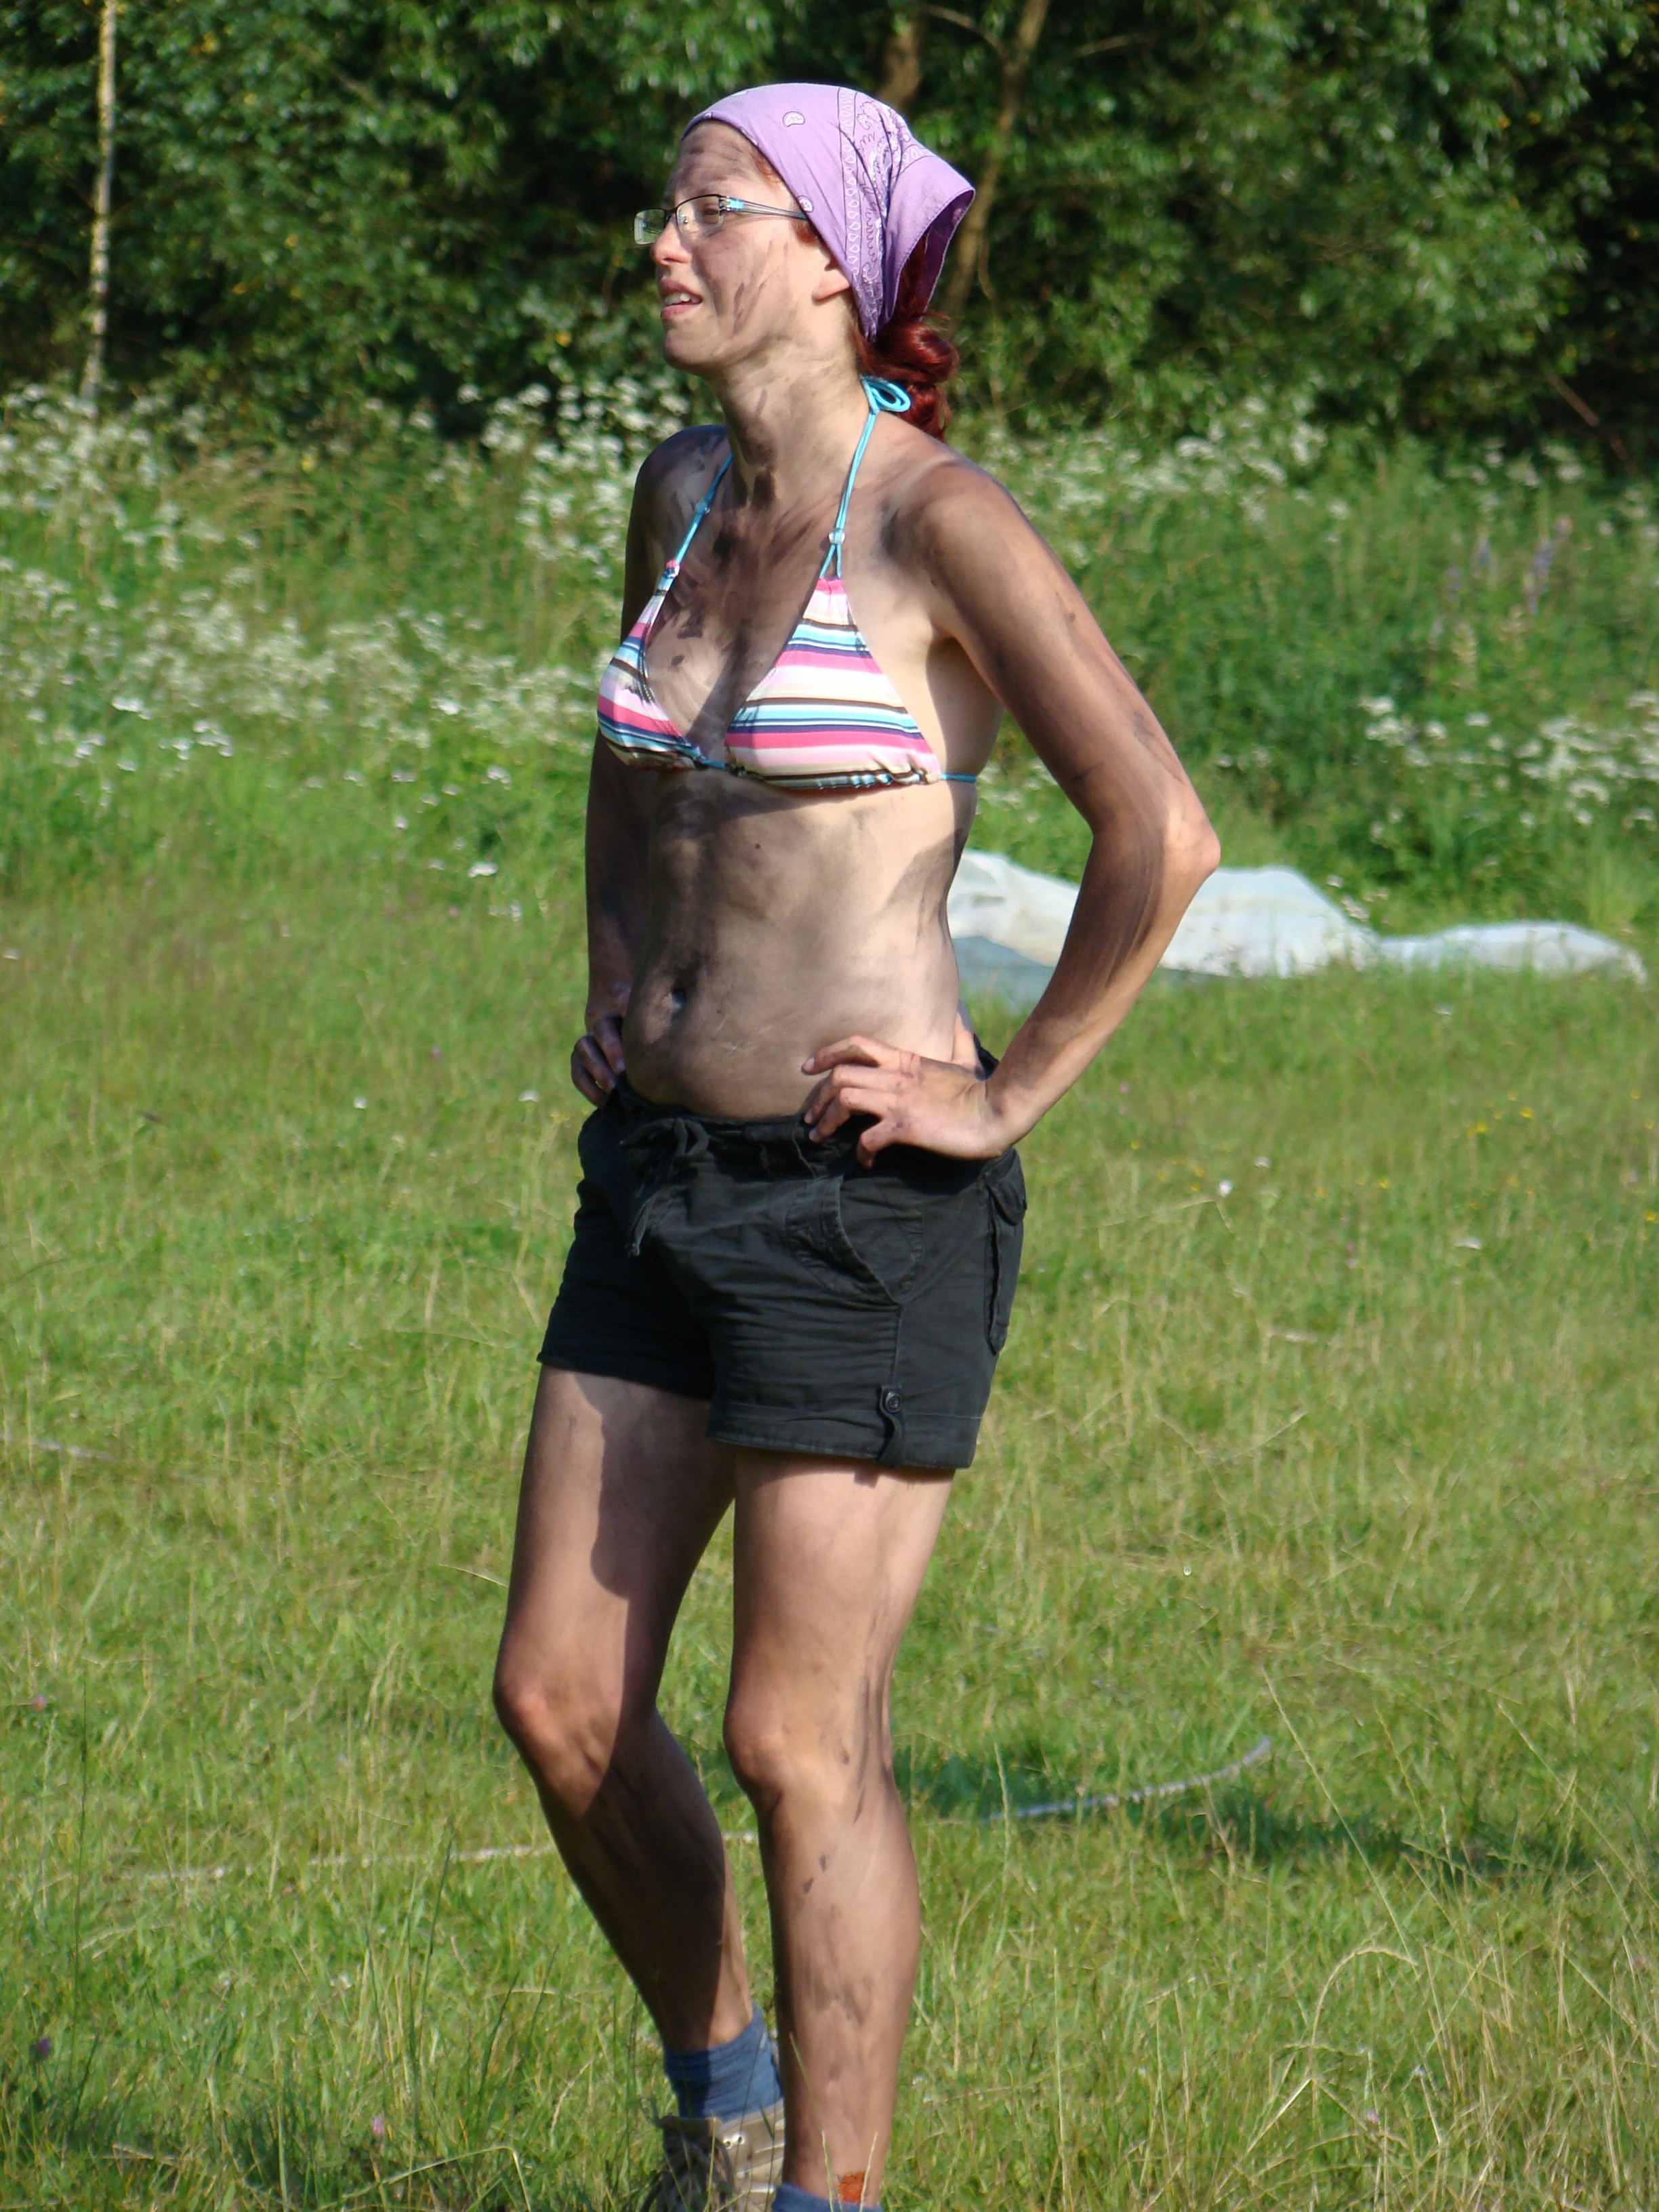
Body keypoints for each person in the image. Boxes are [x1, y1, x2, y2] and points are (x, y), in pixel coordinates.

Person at [492, 81, 1218, 2212]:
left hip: (860, 1207)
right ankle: (722, 2099)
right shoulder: (680, 489)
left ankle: (832, 2194)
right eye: (666, 205)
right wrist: (620, 961)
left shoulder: (939, 526)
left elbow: (1160, 831)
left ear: (832, 257)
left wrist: (999, 1092)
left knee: (800, 1739)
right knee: (558, 1700)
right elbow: (635, 759)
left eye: (712, 208)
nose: (665, 240)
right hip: (656, 1183)